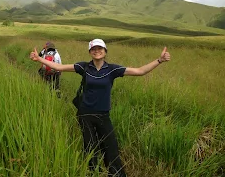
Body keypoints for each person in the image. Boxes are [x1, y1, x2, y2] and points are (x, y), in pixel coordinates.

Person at [29, 38, 171, 176]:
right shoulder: (83, 67)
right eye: (93, 49)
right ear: (90, 52)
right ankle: (92, 172)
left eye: (99, 48)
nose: (97, 51)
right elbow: (59, 67)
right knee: (90, 146)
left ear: (105, 51)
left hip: (103, 115)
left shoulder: (112, 69)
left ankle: (115, 173)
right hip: (85, 114)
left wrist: (159, 60)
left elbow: (140, 71)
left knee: (111, 146)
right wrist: (39, 59)